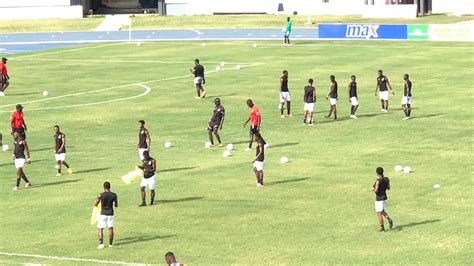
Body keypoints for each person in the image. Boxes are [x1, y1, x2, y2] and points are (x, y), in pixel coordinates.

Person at [95, 181, 118, 249]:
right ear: (109, 187)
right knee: (110, 228)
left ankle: (101, 243)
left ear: (104, 187)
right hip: (110, 213)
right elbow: (116, 205)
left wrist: (96, 205)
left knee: (100, 229)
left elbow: (96, 203)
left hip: (103, 213)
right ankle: (110, 244)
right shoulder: (114, 195)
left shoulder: (101, 194)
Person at [372, 167, 394, 232]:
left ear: (376, 173)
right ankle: (389, 219)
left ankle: (382, 228)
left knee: (379, 213)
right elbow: (389, 188)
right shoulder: (386, 179)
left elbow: (376, 190)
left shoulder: (378, 181)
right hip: (384, 198)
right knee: (382, 211)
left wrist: (373, 189)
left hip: (379, 199)